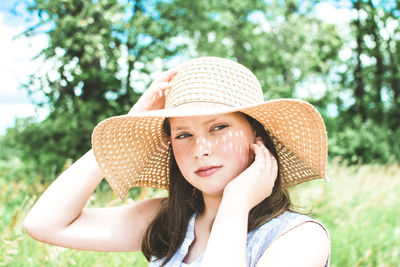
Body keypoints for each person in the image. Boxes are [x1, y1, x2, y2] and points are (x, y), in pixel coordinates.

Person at [24, 56, 330, 266]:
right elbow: (45, 224)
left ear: (258, 137)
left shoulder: (299, 237)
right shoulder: (169, 220)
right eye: (183, 135)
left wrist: (234, 208)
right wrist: (131, 124)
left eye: (219, 127)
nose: (201, 149)